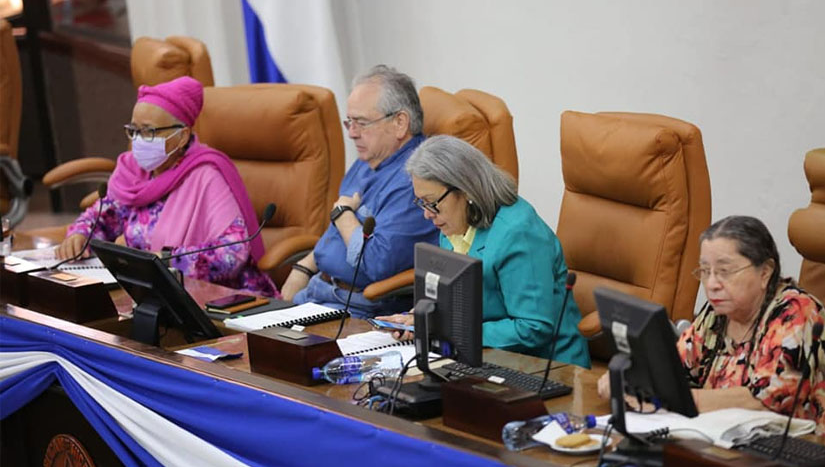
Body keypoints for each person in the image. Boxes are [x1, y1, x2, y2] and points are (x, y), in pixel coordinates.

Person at [597, 215, 825, 433]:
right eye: (705, 272)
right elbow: (672, 369)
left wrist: (679, 401)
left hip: (791, 449)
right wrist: (625, 379)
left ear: (765, 272)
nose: (712, 284)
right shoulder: (717, 312)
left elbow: (767, 399)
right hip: (720, 442)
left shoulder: (796, 311)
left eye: (724, 271)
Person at [379, 135, 591, 368]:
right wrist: (419, 321)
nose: (427, 214)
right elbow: (456, 303)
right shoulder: (450, 224)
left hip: (546, 368)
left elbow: (533, 328)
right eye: (421, 203)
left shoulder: (518, 233)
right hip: (485, 356)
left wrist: (446, 329)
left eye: (432, 203)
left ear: (466, 190)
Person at [56, 76, 276, 296]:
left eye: (149, 132)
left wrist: (168, 261)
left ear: (181, 137)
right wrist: (80, 235)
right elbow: (104, 217)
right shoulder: (134, 172)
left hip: (220, 299)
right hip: (154, 293)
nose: (137, 141)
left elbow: (233, 254)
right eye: (133, 130)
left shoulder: (207, 176)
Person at [280, 65, 439, 318]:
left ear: (400, 123)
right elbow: (335, 234)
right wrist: (303, 268)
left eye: (361, 123)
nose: (352, 133)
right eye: (349, 122)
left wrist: (344, 215)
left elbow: (376, 263)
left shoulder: (415, 179)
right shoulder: (367, 161)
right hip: (316, 292)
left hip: (356, 309)